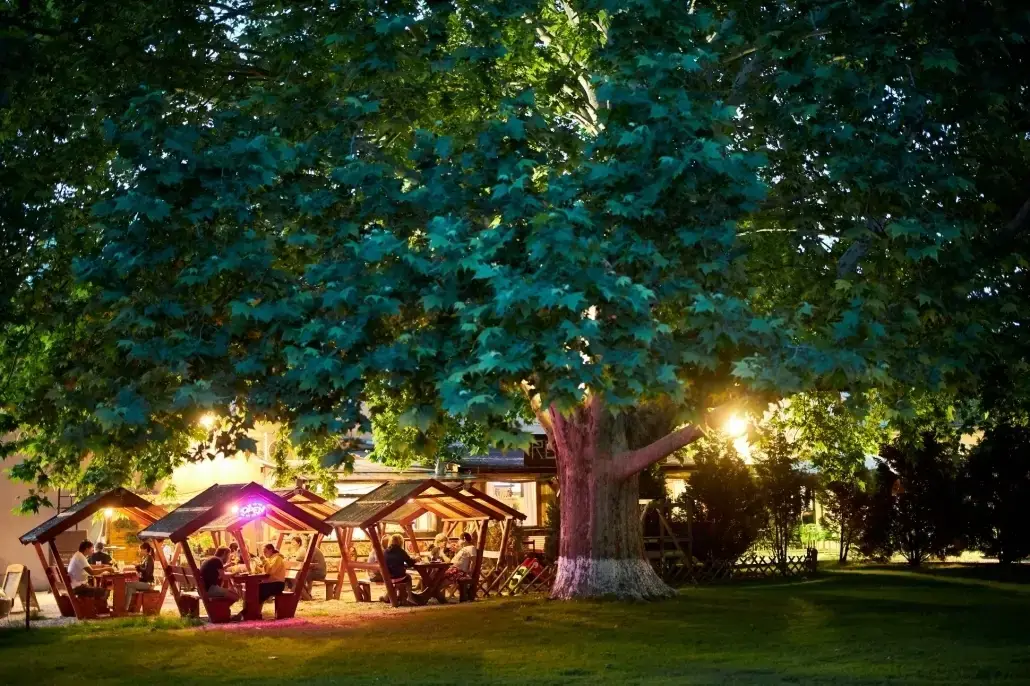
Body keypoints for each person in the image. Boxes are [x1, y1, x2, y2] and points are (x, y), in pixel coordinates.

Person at [237, 544, 286, 620]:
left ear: (271, 550)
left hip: (277, 584)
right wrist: (257, 566)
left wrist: (264, 561)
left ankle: (251, 612)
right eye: (263, 552)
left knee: (258, 590)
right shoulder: (271, 558)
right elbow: (265, 571)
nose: (264, 553)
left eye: (265, 551)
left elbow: (270, 571)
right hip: (272, 583)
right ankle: (252, 612)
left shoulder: (277, 558)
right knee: (255, 589)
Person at [383, 534, 416, 606]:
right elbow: (410, 563)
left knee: (399, 578)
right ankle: (410, 597)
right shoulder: (401, 551)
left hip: (388, 577)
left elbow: (392, 563)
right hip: (398, 577)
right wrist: (415, 559)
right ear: (401, 542)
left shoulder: (385, 551)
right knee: (408, 577)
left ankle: (387, 596)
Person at [124, 542, 156, 612]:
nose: (140, 551)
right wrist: (138, 568)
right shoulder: (145, 558)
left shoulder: (149, 558)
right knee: (130, 588)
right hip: (145, 582)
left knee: (128, 584)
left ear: (145, 549)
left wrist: (138, 567)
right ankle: (126, 608)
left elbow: (147, 572)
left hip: (148, 583)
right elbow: (143, 570)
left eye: (141, 549)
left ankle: (125, 608)